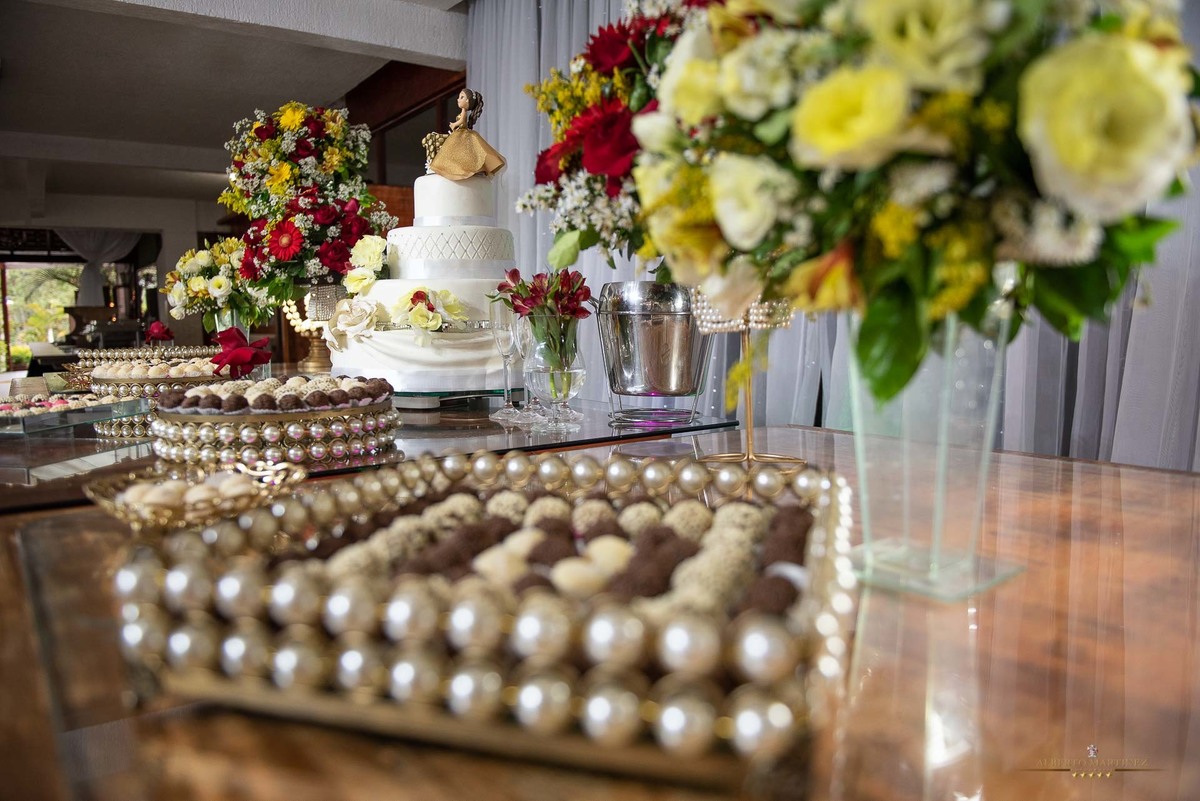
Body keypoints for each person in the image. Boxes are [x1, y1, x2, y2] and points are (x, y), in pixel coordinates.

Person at [428, 89, 506, 181]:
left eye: (462, 97)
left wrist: (454, 124)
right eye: (458, 97)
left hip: (462, 135)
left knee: (461, 154)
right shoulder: (462, 111)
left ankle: (460, 170)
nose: (458, 99)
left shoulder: (464, 112)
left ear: (467, 101)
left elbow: (462, 121)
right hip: (459, 133)